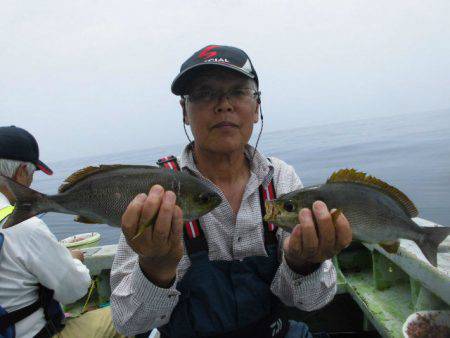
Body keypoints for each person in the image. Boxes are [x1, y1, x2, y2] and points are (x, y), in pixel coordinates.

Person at [110, 45, 352, 338]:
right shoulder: (157, 189)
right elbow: (128, 322)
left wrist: (305, 263)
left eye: (238, 92)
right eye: (204, 93)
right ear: (185, 112)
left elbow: (310, 301)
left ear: (257, 108)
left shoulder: (281, 179)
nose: (224, 104)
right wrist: (156, 268)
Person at [0, 126, 124, 338]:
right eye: (31, 174)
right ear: (21, 172)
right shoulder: (23, 225)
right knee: (128, 317)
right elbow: (74, 291)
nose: (31, 181)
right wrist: (75, 260)